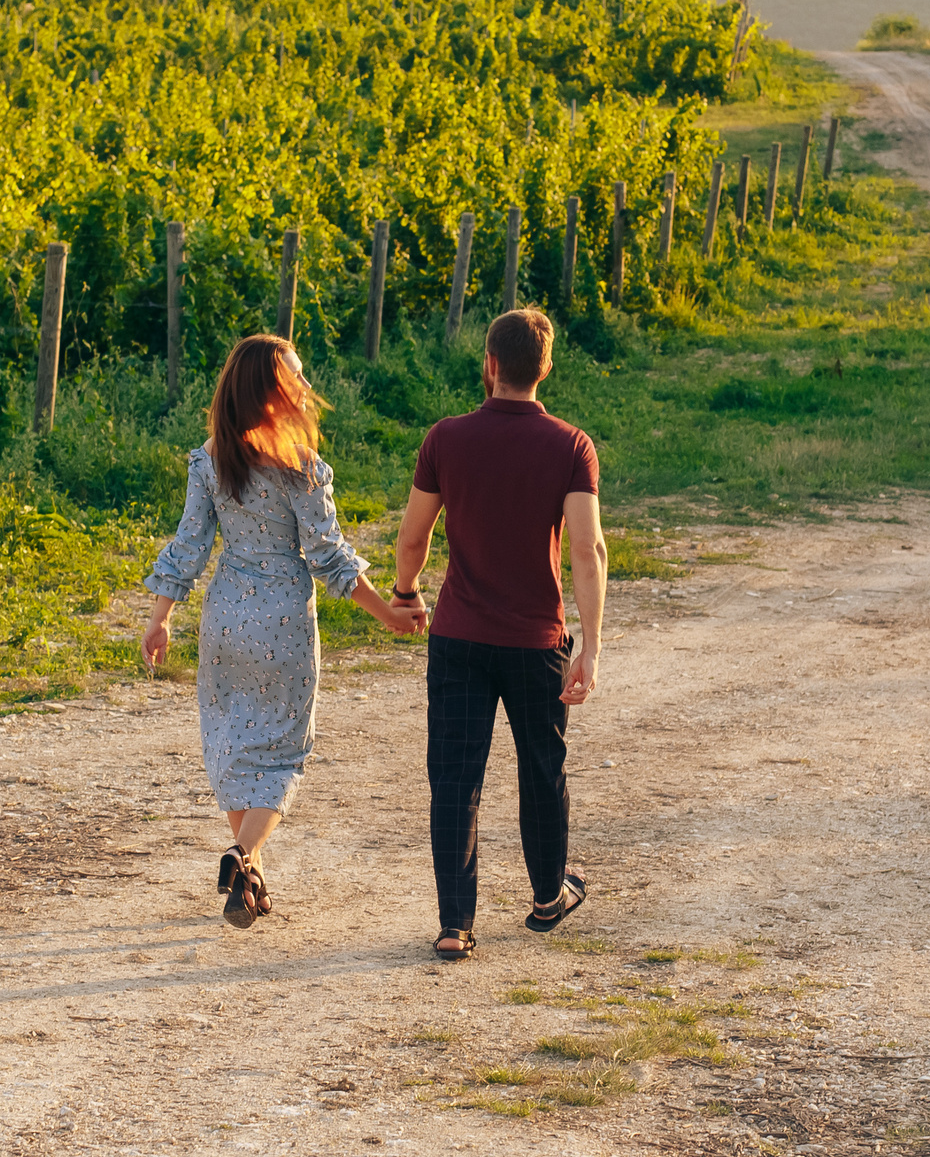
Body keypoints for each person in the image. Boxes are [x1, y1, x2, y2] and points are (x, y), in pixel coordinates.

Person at [142, 335, 426, 928]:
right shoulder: (302, 468)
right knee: (283, 753)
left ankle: (253, 879)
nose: (304, 385)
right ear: (273, 393)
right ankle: (241, 855)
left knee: (235, 745)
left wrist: (160, 617)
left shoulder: (211, 459)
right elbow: (329, 557)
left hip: (226, 621)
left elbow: (189, 546)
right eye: (295, 377)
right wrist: (389, 613)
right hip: (284, 622)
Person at [392, 307, 605, 960]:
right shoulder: (571, 445)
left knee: (455, 776)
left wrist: (405, 591)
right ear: (544, 370)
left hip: (458, 637)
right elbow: (587, 548)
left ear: (489, 365)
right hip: (537, 641)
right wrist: (589, 646)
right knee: (543, 768)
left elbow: (414, 535)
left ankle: (455, 923)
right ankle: (547, 897)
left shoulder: (445, 438)